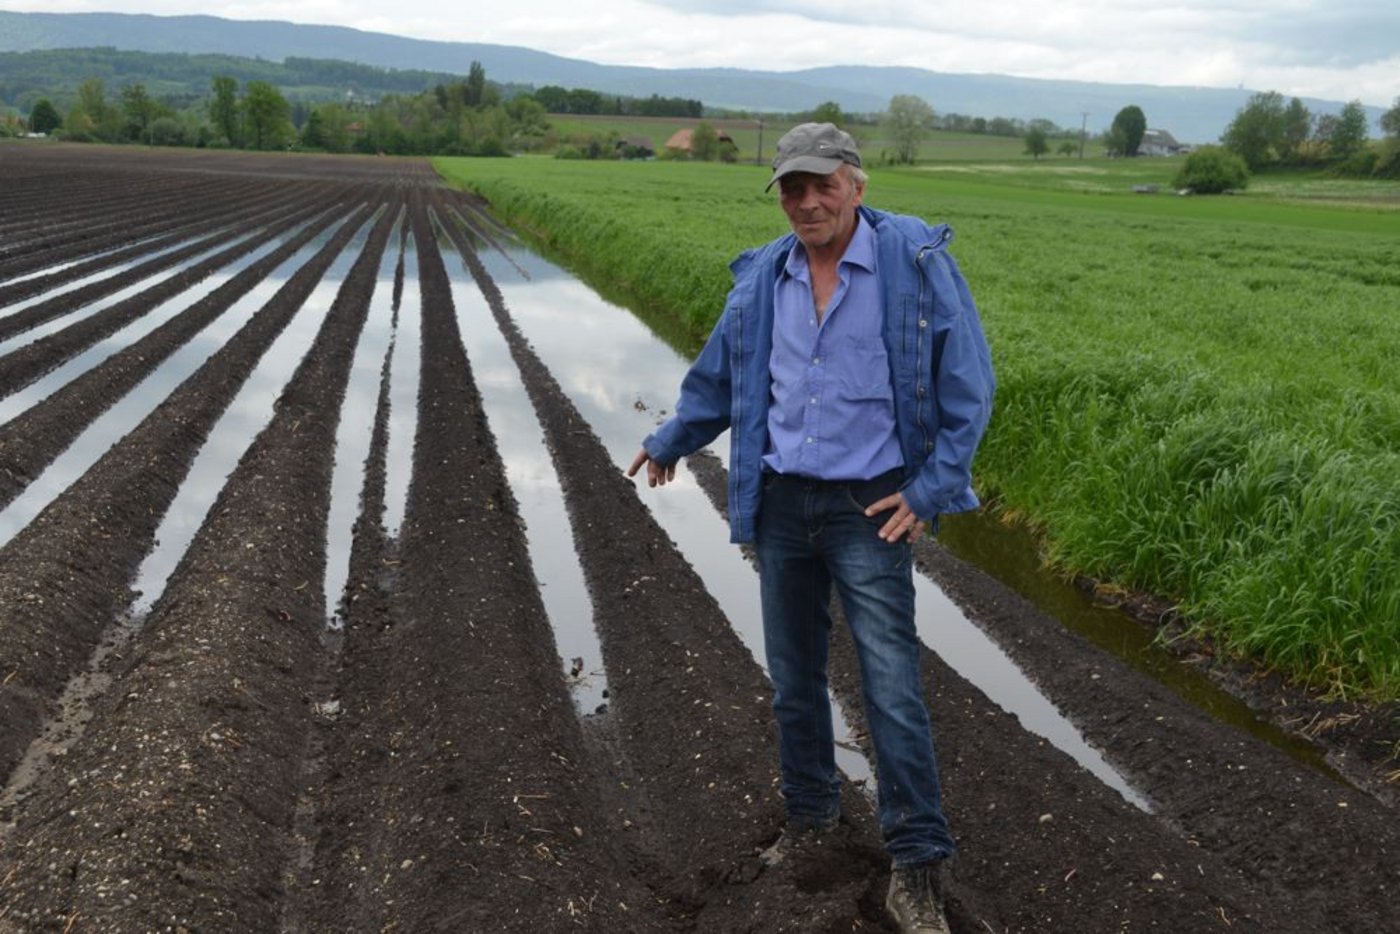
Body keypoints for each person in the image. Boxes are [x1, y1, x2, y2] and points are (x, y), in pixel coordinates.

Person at [627, 122, 994, 934]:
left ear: (856, 184)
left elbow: (968, 383)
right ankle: (812, 819)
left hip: (870, 509)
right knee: (794, 680)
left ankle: (917, 865)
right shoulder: (765, 275)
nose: (808, 202)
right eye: (793, 188)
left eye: (823, 184)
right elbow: (721, 377)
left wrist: (930, 490)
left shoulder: (913, 264)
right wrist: (673, 438)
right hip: (783, 504)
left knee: (890, 686)